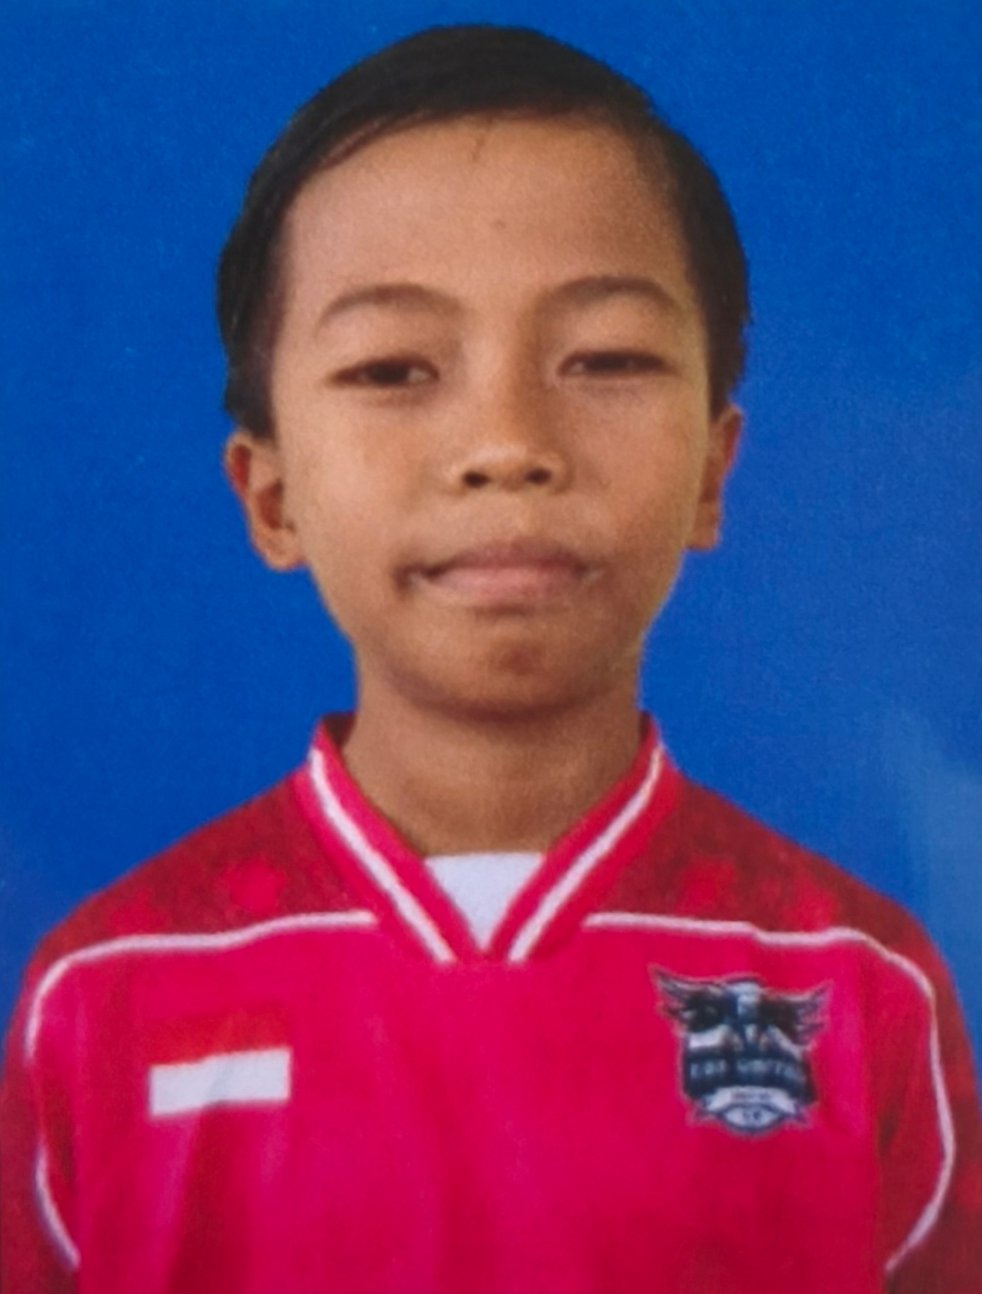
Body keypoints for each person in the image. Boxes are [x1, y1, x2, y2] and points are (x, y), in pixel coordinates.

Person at [1, 23, 980, 1294]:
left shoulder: (851, 982)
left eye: (605, 359)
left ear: (712, 469)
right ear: (271, 496)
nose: (508, 442)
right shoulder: (108, 993)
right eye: (393, 368)